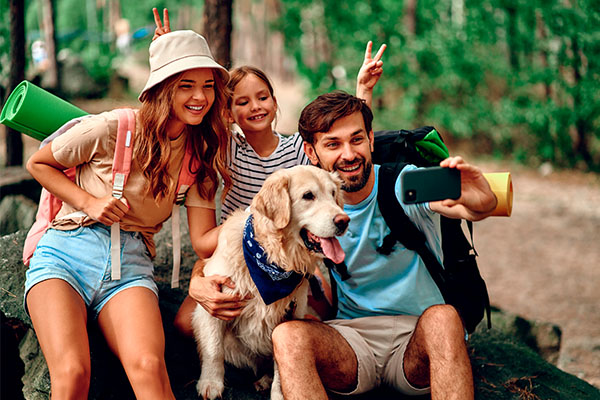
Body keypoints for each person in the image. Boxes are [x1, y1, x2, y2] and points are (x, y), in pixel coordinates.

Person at [150, 8, 387, 334]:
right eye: (242, 102)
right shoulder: (227, 149)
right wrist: (172, 65)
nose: (256, 106)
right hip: (239, 250)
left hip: (292, 248)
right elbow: (194, 121)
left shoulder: (296, 150)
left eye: (263, 97)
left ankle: (290, 354)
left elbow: (347, 146)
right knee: (185, 324)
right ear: (229, 113)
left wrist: (364, 93)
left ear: (275, 103)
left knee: (318, 314)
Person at [24, 29, 230, 399]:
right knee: (72, 374)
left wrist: (251, 222)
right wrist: (89, 202)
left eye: (208, 85)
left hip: (130, 266)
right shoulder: (113, 126)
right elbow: (39, 163)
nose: (200, 97)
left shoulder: (198, 156)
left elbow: (203, 242)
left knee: (150, 369)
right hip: (65, 253)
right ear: (162, 88)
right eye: (186, 85)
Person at [270, 91, 498, 399]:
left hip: (417, 338)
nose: (349, 154)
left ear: (371, 140)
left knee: (444, 317)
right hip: (351, 341)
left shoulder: (405, 183)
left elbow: (470, 205)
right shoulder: (304, 208)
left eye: (357, 139)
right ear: (311, 151)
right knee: (286, 337)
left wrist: (482, 197)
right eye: (333, 144)